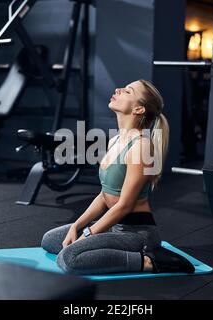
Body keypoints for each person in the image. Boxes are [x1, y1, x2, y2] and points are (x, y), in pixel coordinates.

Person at [41, 79, 195, 274]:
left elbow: (124, 205)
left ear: (139, 109)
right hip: (113, 225)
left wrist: (88, 233)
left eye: (128, 91)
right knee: (50, 241)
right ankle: (102, 244)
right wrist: (78, 226)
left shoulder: (141, 146)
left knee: (69, 258)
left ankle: (150, 261)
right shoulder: (115, 140)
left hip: (136, 233)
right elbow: (105, 195)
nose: (118, 89)